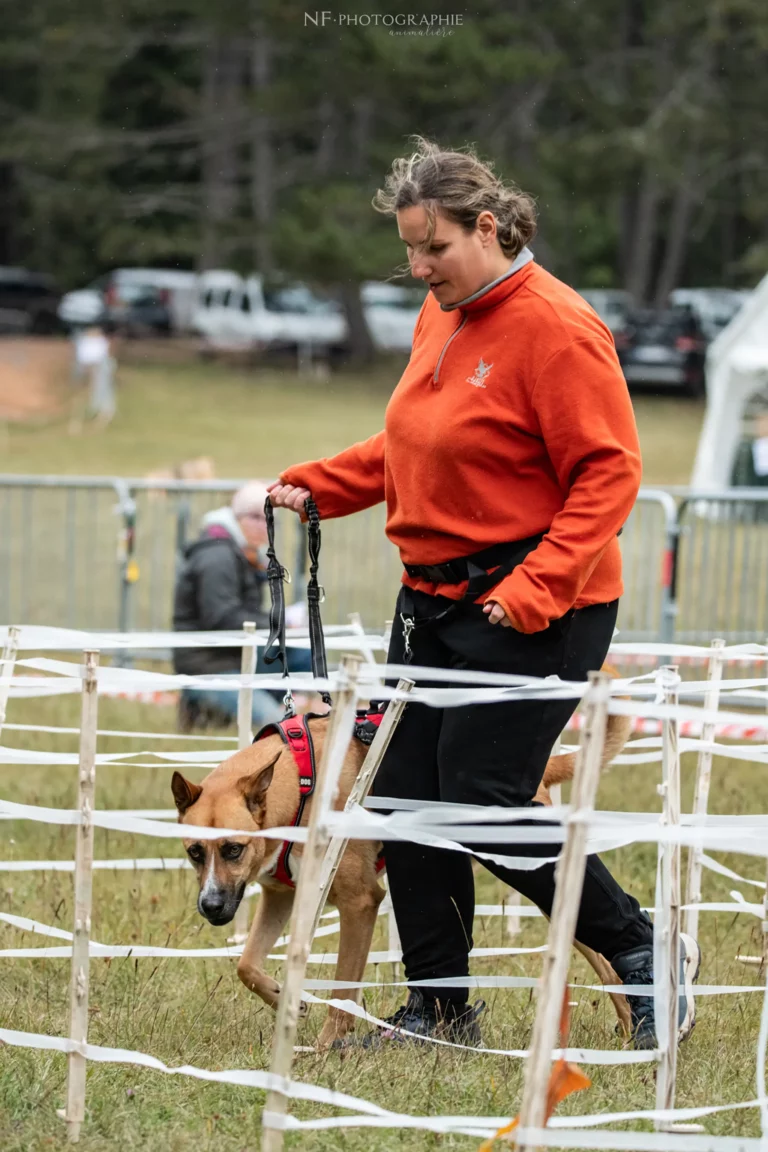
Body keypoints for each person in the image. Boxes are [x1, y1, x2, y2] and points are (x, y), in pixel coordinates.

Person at [267, 138, 700, 1051]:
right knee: (405, 799)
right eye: (411, 252)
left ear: (488, 227)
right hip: (432, 603)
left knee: (483, 797)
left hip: (542, 602)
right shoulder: (444, 312)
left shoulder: (558, 326)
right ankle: (441, 1006)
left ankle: (640, 949)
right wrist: (323, 485)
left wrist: (538, 586)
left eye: (435, 249)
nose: (420, 270)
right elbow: (414, 446)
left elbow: (608, 477)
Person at [172, 480, 311, 729]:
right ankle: (239, 715)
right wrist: (278, 623)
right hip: (208, 666)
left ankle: (246, 715)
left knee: (301, 652)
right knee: (276, 722)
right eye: (255, 518)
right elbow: (221, 617)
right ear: (236, 517)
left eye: (269, 519)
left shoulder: (242, 552)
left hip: (236, 656)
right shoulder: (218, 557)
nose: (263, 526)